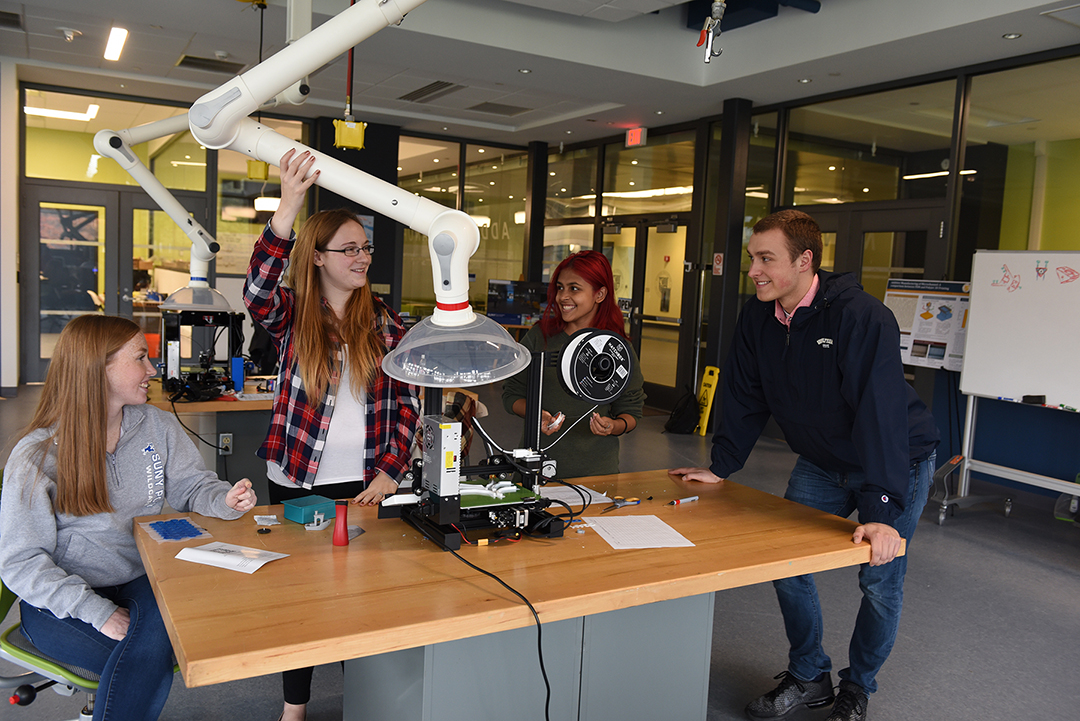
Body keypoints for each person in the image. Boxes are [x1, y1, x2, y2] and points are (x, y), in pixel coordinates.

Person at [669, 209, 939, 721]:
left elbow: (880, 411)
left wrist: (880, 506)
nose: (754, 270)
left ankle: (857, 688)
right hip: (822, 461)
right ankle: (810, 674)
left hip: (894, 460)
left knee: (879, 580)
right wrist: (722, 466)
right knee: (786, 563)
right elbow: (745, 395)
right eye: (753, 258)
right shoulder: (758, 317)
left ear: (805, 261)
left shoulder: (860, 317)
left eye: (766, 258)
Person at [0, 315, 257, 721]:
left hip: (141, 578)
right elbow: (20, 562)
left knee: (151, 650)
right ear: (97, 368)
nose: (152, 371)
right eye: (141, 358)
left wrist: (223, 499)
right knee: (153, 655)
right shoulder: (37, 456)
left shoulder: (156, 424)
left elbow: (191, 486)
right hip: (60, 601)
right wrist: (96, 611)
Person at [245, 149, 420, 721]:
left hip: (363, 481)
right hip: (297, 478)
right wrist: (287, 208)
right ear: (317, 257)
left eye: (365, 247)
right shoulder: (294, 315)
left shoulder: (387, 323)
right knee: (303, 598)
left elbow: (408, 404)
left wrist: (392, 469)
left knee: (359, 599)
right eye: (349, 249)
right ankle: (294, 708)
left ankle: (370, 700)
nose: (362, 257)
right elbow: (257, 295)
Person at [502, 250, 645, 479]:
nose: (563, 296)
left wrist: (613, 426)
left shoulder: (617, 348)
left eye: (574, 288)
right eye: (560, 287)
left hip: (597, 474)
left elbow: (631, 411)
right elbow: (512, 394)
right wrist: (536, 415)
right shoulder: (540, 336)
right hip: (535, 469)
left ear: (599, 294)